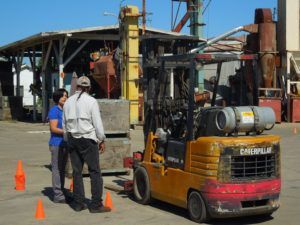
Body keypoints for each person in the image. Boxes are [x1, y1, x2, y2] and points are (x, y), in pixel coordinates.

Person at [63, 76, 110, 213]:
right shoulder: (91, 101)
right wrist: (101, 139)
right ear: (89, 88)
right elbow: (97, 122)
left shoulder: (68, 102)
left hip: (72, 139)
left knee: (77, 172)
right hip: (88, 140)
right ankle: (95, 205)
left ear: (76, 87)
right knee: (94, 171)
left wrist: (68, 140)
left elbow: (64, 124)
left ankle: (78, 203)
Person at [48, 88, 68, 203]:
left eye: (66, 95)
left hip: (65, 143)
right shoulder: (54, 111)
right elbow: (53, 128)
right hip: (56, 143)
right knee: (56, 169)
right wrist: (66, 131)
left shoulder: (66, 110)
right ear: (57, 98)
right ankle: (58, 195)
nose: (65, 97)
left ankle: (61, 191)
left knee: (62, 169)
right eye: (62, 96)